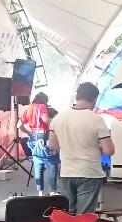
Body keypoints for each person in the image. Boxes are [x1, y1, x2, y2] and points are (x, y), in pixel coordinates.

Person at [48, 82, 114, 214]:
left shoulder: (58, 118)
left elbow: (53, 146)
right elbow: (109, 150)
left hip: (66, 172)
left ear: (77, 96)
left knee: (67, 215)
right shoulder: (96, 119)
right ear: (94, 99)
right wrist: (95, 147)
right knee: (84, 218)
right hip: (89, 173)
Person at [31, 107, 59, 196]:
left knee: (38, 167)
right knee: (53, 167)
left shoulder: (38, 123)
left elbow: (19, 125)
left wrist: (28, 133)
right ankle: (53, 191)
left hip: (36, 144)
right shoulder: (52, 126)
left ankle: (40, 192)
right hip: (49, 149)